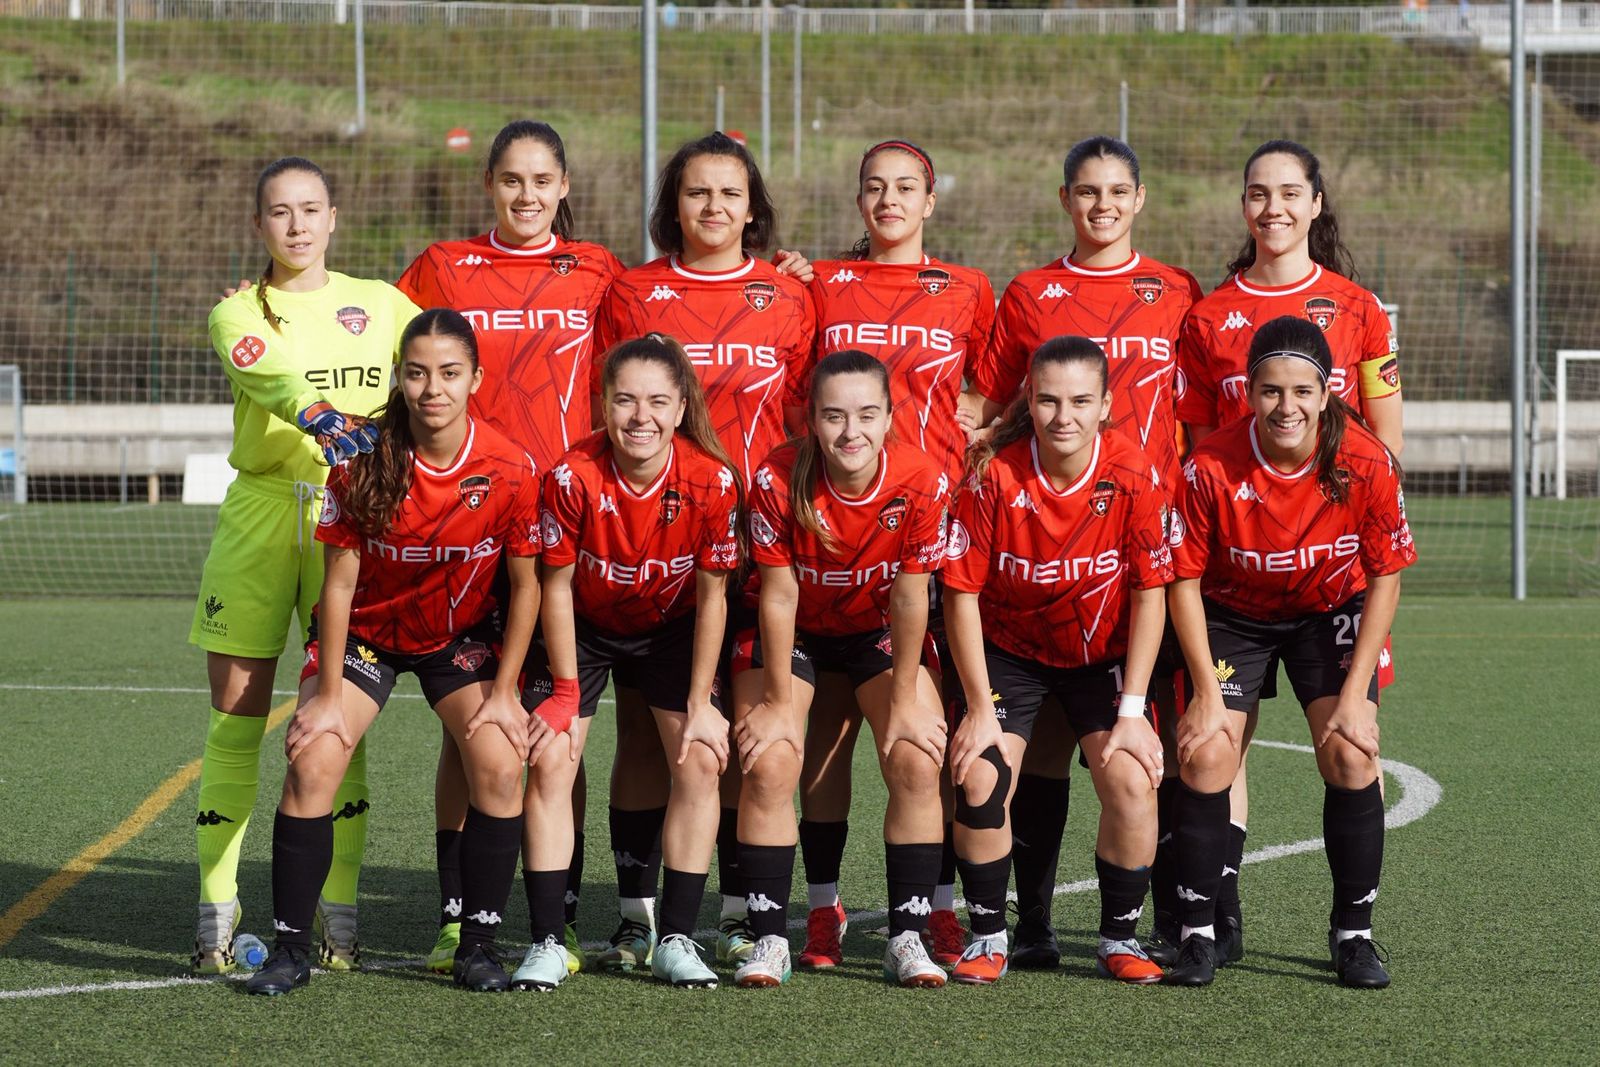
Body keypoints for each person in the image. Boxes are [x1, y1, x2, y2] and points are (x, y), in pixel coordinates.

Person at [244, 308, 544, 995]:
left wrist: (505, 692)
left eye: (449, 373)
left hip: (455, 639)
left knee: (502, 765)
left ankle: (477, 946)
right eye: (417, 373)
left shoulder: (509, 467)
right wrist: (326, 697)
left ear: (476, 378)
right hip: (366, 639)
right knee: (313, 759)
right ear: (399, 379)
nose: (432, 388)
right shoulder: (361, 459)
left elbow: (527, 586)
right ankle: (291, 950)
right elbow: (338, 585)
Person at [961, 135, 1203, 968]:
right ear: (1065, 199)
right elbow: (984, 404)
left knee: (1146, 758)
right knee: (1022, 764)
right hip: (1030, 572)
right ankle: (1016, 928)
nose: (1103, 204)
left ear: (1140, 198)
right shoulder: (1031, 292)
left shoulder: (1177, 289)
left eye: (1117, 190)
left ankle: (1157, 925)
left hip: (1131, 561)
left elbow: (1209, 401)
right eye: (1087, 191)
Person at [395, 120, 624, 976]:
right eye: (511, 180)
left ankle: (556, 917)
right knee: (470, 730)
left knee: (559, 728)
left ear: (564, 186)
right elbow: (373, 341)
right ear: (489, 185)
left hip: (564, 526)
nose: (526, 195)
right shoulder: (442, 266)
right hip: (467, 527)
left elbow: (658, 347)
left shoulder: (599, 270)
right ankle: (456, 914)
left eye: (541, 180)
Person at [1175, 139, 1404, 966]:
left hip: (1329, 583)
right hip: (1233, 582)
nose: (1272, 207)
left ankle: (1354, 933)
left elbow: (1386, 442)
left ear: (1315, 203)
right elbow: (1206, 449)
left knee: (1350, 744)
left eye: (1288, 192)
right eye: (1257, 193)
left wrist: (1347, 499)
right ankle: (1211, 918)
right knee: (1212, 745)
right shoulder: (1207, 317)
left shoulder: (1359, 307)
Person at [591, 132, 816, 971]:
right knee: (649, 739)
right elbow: (609, 412)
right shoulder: (632, 292)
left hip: (762, 546)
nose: (713, 207)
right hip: (658, 548)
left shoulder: (789, 295)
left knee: (740, 734)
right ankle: (636, 914)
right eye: (696, 192)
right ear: (672, 205)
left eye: (729, 193)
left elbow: (807, 414)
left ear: (752, 207)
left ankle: (732, 910)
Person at [190, 156, 419, 974]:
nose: (297, 225)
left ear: (333, 218)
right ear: (260, 225)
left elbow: (445, 359)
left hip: (349, 514)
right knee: (236, 719)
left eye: (311, 208)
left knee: (338, 718)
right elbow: (278, 377)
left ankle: (341, 916)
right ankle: (215, 916)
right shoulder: (236, 311)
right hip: (260, 516)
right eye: (280, 212)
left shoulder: (382, 303)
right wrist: (322, 414)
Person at [799, 140, 995, 967]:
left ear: (930, 200)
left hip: (927, 534)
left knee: (925, 735)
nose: (889, 199)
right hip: (836, 530)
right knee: (824, 745)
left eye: (906, 187)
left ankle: (936, 909)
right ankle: (823, 907)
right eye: (875, 186)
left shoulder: (968, 288)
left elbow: (993, 388)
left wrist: (977, 428)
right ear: (858, 201)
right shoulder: (820, 283)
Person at [514, 334, 742, 991]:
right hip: (583, 628)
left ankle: (675, 938)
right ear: (603, 405)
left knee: (700, 757)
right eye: (625, 401)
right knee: (552, 756)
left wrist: (701, 701)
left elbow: (713, 598)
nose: (641, 416)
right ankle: (548, 940)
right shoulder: (571, 476)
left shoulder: (712, 480)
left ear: (681, 409)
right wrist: (563, 691)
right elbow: (556, 587)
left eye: (657, 402)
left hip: (671, 630)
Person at [942, 336, 1172, 986]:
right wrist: (979, 709)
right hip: (1010, 652)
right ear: (1029, 400)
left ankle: (1117, 937)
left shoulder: (1133, 473)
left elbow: (1150, 592)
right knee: (981, 776)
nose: (1063, 416)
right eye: (1048, 400)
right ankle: (989, 935)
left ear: (1106, 405)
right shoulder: (994, 474)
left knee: (1133, 777)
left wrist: (1133, 710)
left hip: (1101, 657)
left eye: (1079, 401)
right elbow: (959, 594)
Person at [732, 350, 954, 989]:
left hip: (875, 631)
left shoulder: (921, 479)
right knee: (771, 760)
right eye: (833, 416)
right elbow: (779, 596)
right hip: (795, 630)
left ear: (889, 417)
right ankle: (775, 936)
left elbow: (911, 597)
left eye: (866, 415)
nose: (851, 431)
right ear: (810, 420)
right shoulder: (777, 478)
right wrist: (777, 703)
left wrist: (906, 700)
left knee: (916, 757)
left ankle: (907, 937)